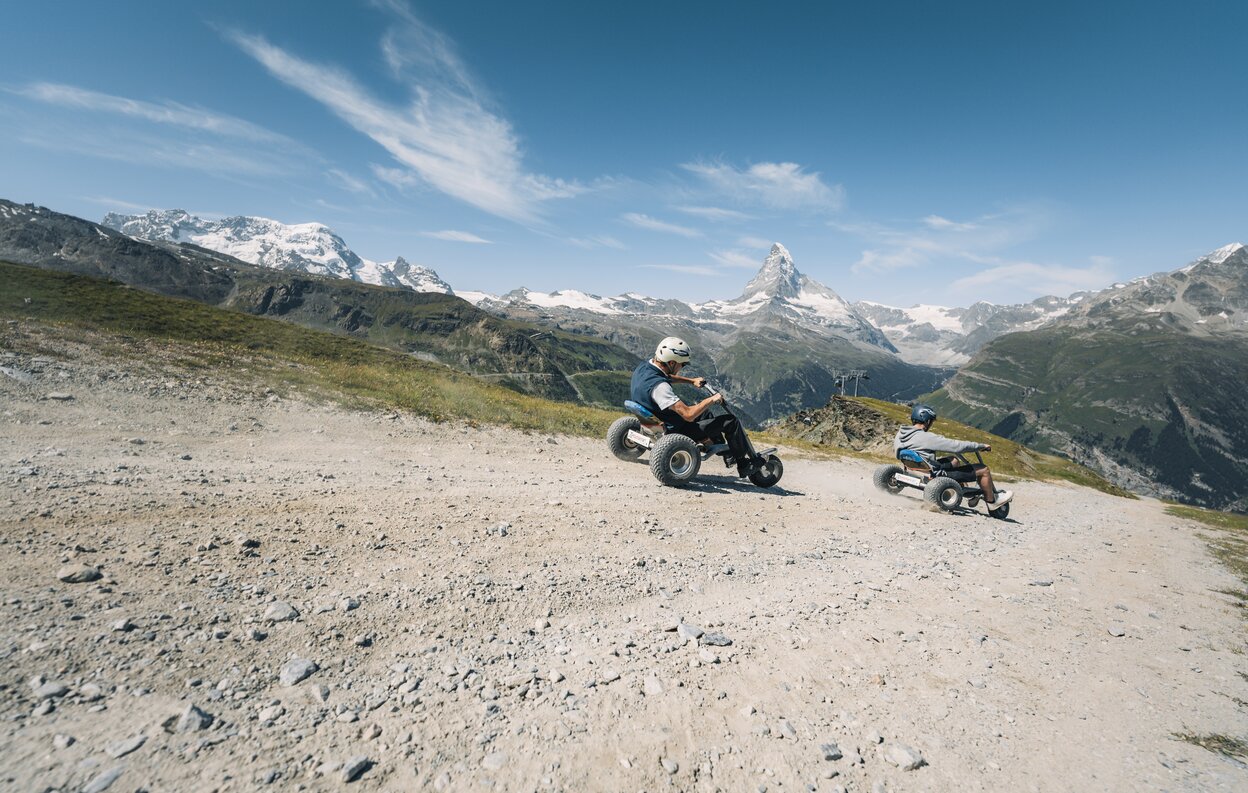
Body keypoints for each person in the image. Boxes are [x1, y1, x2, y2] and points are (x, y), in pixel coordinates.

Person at [630, 336, 767, 478]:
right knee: (731, 421)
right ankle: (744, 465)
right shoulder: (661, 388)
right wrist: (712, 399)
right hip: (675, 430)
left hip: (660, 420)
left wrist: (691, 381)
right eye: (682, 364)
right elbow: (688, 415)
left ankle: (725, 451)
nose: (682, 367)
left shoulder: (646, 368)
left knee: (705, 413)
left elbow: (666, 377)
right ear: (671, 362)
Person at [894, 403, 1013, 509]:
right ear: (927, 421)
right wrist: (980, 446)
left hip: (913, 469)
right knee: (983, 469)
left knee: (954, 460)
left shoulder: (902, 433)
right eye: (931, 421)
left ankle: (967, 491)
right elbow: (956, 446)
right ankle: (992, 502)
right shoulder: (926, 437)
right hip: (933, 476)